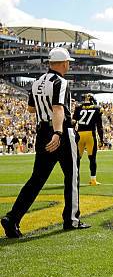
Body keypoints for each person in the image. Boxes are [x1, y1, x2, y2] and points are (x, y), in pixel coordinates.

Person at [1, 47, 89, 238]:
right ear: (63, 63)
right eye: (68, 63)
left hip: (42, 131)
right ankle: (71, 219)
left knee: (36, 179)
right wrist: (58, 132)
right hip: (60, 132)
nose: (68, 66)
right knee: (72, 176)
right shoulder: (61, 82)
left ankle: (12, 218)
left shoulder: (37, 82)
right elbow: (58, 108)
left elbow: (32, 108)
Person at [73, 94, 104, 186]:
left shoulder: (78, 107)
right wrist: (101, 139)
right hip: (90, 135)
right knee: (92, 159)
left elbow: (73, 122)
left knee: (77, 159)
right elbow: (100, 127)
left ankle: (75, 179)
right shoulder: (97, 108)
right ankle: (93, 180)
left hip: (79, 134)